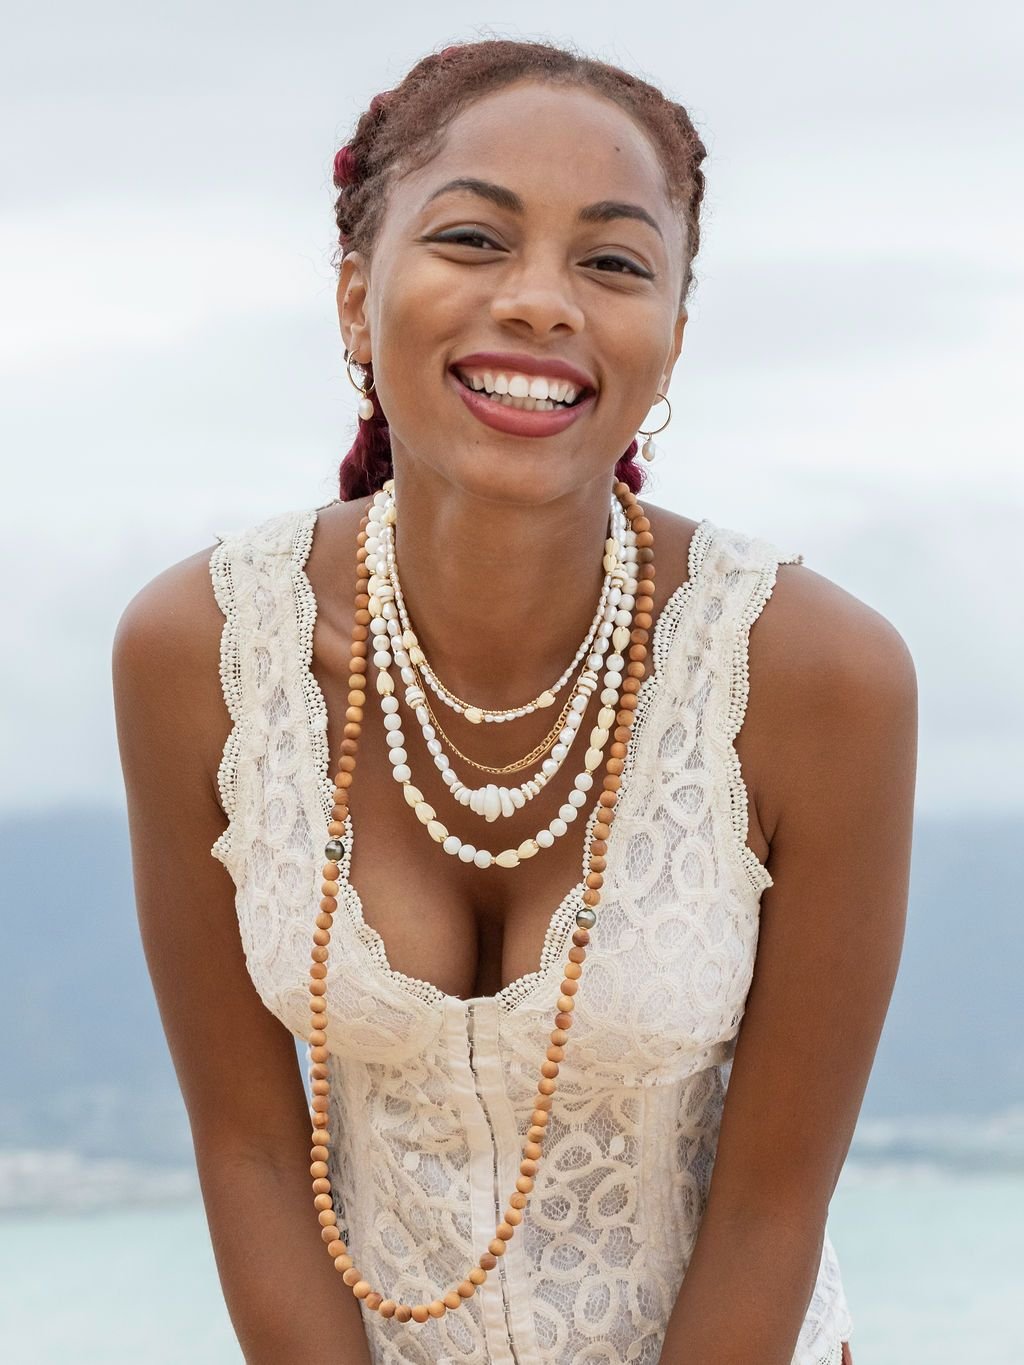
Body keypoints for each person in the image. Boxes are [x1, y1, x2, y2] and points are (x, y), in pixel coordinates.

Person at [112, 37, 916, 1365]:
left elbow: (771, 1210)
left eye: (612, 261)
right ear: (355, 293)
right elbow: (249, 1147)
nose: (543, 301)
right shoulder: (199, 650)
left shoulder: (817, 678)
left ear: (671, 335)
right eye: (475, 239)